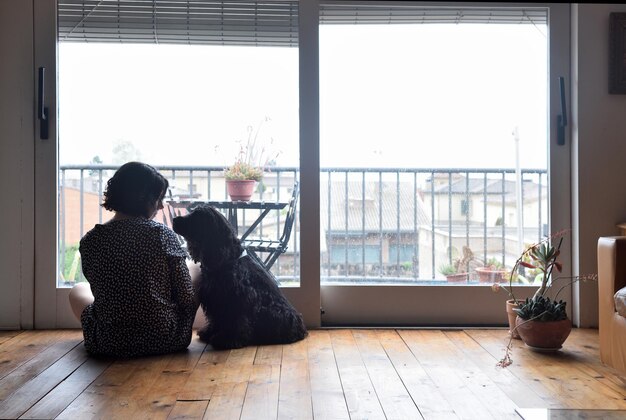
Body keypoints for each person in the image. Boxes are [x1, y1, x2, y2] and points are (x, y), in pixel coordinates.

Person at [68, 161, 196, 358]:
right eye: (158, 198)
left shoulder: (90, 240)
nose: (161, 205)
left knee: (78, 290)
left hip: (108, 343)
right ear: (143, 198)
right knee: (196, 270)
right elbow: (186, 296)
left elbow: (100, 290)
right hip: (167, 339)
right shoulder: (162, 234)